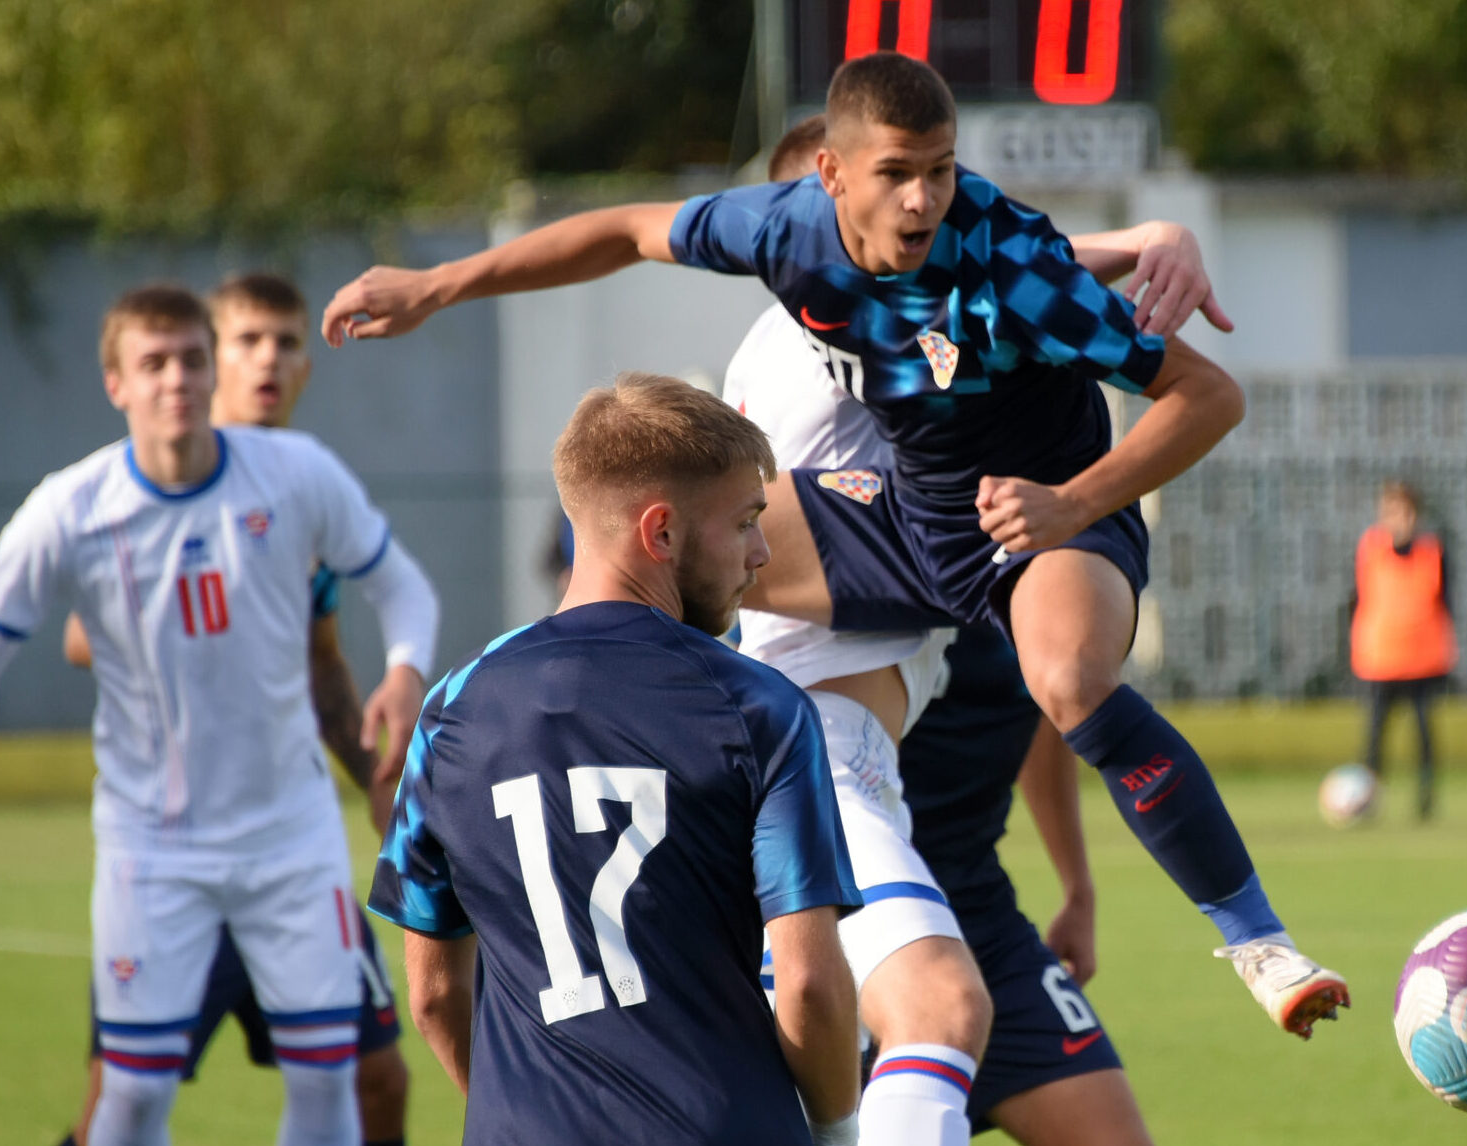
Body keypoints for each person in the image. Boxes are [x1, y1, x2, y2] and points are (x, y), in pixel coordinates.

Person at [321, 52, 1352, 1041]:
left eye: (941, 172)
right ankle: (566, 791)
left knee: (1070, 680)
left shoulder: (1013, 265)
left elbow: (1208, 395)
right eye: (896, 174)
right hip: (905, 515)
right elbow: (625, 229)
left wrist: (1072, 504)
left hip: (1039, 521)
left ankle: (1260, 943)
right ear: (829, 175)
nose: (922, 201)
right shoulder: (783, 231)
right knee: (659, 542)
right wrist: (439, 284)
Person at [726, 114, 1206, 1146]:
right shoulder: (784, 389)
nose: (904, 235)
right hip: (822, 860)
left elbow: (1035, 695)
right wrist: (1141, 234)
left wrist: (1079, 879)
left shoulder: (977, 412)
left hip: (967, 878)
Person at [0, 284, 440, 1146]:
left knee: (348, 1077)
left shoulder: (296, 477)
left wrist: (404, 682)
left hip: (288, 841)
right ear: (117, 381)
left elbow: (377, 609)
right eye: (160, 361)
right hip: (153, 849)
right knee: (125, 1098)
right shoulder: (75, 507)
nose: (188, 376)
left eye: (195, 358)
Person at [369, 373, 863, 1146]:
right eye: (747, 520)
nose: (761, 554)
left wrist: (543, 1120)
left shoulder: (452, 712)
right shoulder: (758, 706)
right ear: (661, 531)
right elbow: (811, 988)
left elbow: (436, 993)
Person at [907, 625, 1169, 1146]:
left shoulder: (1026, 562)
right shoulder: (846, 553)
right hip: (838, 928)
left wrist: (1076, 887)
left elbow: (1045, 710)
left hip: (981, 925)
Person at [1350, 480, 1455, 820]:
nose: (1398, 519)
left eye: (1404, 512)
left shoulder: (1433, 552)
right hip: (1380, 658)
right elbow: (1356, 599)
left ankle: (1426, 796)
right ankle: (1367, 799)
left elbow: (1446, 603)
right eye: (1391, 511)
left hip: (1423, 658)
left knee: (1424, 733)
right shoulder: (1370, 549)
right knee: (1375, 737)